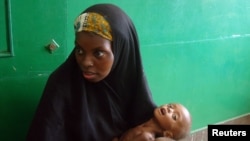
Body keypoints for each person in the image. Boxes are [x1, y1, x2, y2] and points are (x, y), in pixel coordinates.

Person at [26, 3, 157, 141]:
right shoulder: (61, 86)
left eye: (98, 53)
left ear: (122, 51)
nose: (85, 62)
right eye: (80, 50)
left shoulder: (134, 87)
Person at [113, 103, 192, 141]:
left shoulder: (146, 137)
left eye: (174, 116)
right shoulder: (143, 117)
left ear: (167, 134)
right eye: (170, 106)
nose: (169, 109)